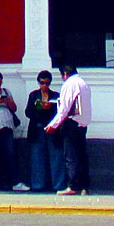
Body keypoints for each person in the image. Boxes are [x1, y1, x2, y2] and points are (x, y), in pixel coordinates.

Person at [46, 64, 91, 196]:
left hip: (71, 123)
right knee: (82, 155)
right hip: (82, 123)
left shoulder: (69, 84)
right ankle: (84, 186)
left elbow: (64, 109)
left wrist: (53, 125)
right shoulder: (83, 83)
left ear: (65, 74)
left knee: (71, 156)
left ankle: (73, 185)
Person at [25, 70, 66, 192]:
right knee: (37, 157)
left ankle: (58, 184)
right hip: (37, 129)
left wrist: (50, 107)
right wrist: (39, 107)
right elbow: (28, 112)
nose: (44, 86)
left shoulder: (55, 96)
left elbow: (60, 112)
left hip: (52, 130)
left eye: (47, 84)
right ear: (38, 83)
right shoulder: (33, 95)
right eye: (42, 83)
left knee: (56, 157)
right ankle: (38, 184)